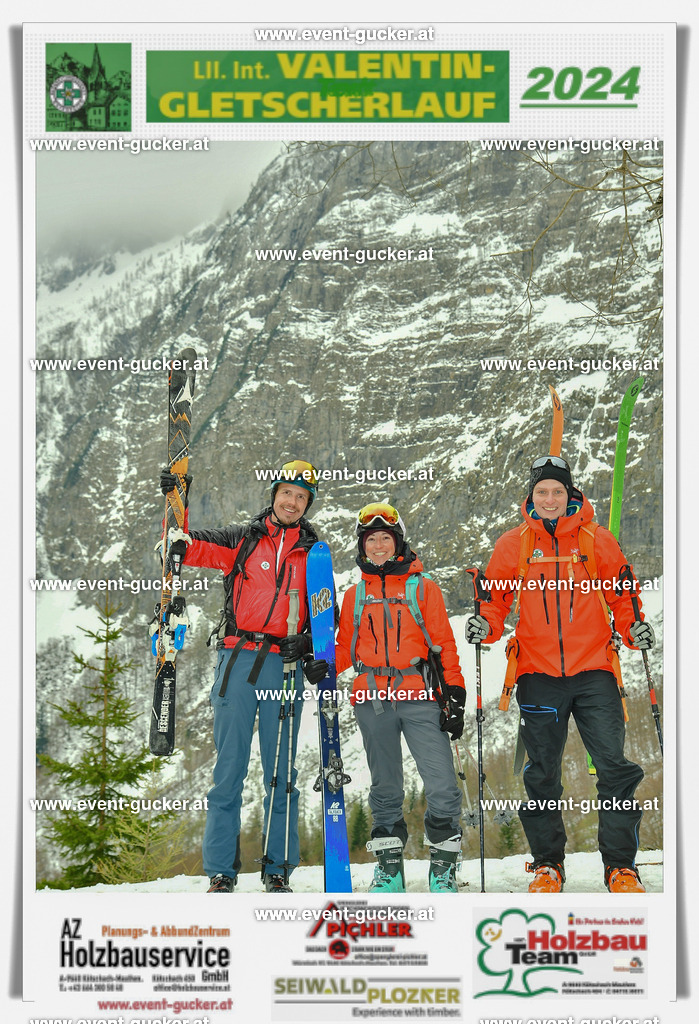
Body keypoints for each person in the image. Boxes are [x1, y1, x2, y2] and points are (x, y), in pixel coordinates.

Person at [467, 455, 655, 894]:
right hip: (537, 674)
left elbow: (623, 596)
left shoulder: (596, 540)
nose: (550, 499)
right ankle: (549, 865)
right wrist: (486, 625)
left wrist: (633, 630)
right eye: (541, 492)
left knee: (613, 768)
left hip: (595, 672)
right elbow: (494, 601)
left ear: (571, 495)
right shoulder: (513, 544)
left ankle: (620, 867)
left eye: (557, 491)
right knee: (542, 773)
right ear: (530, 497)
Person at [159, 459, 321, 893]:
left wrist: (304, 644)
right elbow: (181, 547)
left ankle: (277, 869)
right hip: (237, 661)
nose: (292, 501)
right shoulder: (242, 539)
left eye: (301, 497)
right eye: (287, 492)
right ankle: (220, 871)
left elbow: (326, 619)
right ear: (274, 495)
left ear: (307, 505)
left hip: (283, 669)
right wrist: (176, 501)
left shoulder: (314, 553)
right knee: (228, 770)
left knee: (281, 773)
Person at [332, 502, 466, 893]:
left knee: (442, 785)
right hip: (371, 699)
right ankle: (389, 869)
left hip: (421, 696)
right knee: (385, 787)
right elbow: (344, 648)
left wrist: (454, 694)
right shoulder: (355, 596)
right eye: (370, 539)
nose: (377, 546)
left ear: (398, 543)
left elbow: (444, 645)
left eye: (384, 539)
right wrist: (319, 661)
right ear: (362, 546)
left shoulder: (423, 588)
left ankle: (442, 867)